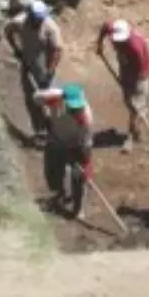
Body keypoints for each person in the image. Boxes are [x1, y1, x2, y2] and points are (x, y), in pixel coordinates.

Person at [33, 84, 94, 218]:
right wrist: (47, 113)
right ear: (64, 101)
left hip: (75, 144)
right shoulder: (54, 98)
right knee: (52, 170)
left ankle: (78, 208)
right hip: (56, 138)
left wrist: (84, 167)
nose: (75, 110)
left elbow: (86, 147)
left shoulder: (85, 118)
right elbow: (36, 98)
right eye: (72, 107)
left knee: (78, 176)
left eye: (78, 107)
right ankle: (60, 194)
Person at [5, 0, 63, 141]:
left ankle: (58, 130)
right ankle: (40, 130)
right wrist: (16, 49)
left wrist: (49, 72)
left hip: (45, 62)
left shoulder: (50, 27)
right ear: (29, 15)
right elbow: (8, 31)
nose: (37, 23)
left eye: (39, 20)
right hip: (28, 61)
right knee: (31, 97)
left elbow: (58, 50)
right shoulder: (19, 22)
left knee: (52, 97)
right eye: (34, 20)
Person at [95, 19, 149, 153]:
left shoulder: (135, 48)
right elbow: (104, 27)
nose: (116, 42)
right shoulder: (113, 28)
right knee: (129, 102)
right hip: (126, 68)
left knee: (136, 106)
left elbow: (139, 70)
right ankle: (138, 121)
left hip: (139, 75)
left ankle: (130, 137)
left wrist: (129, 84)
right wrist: (99, 44)